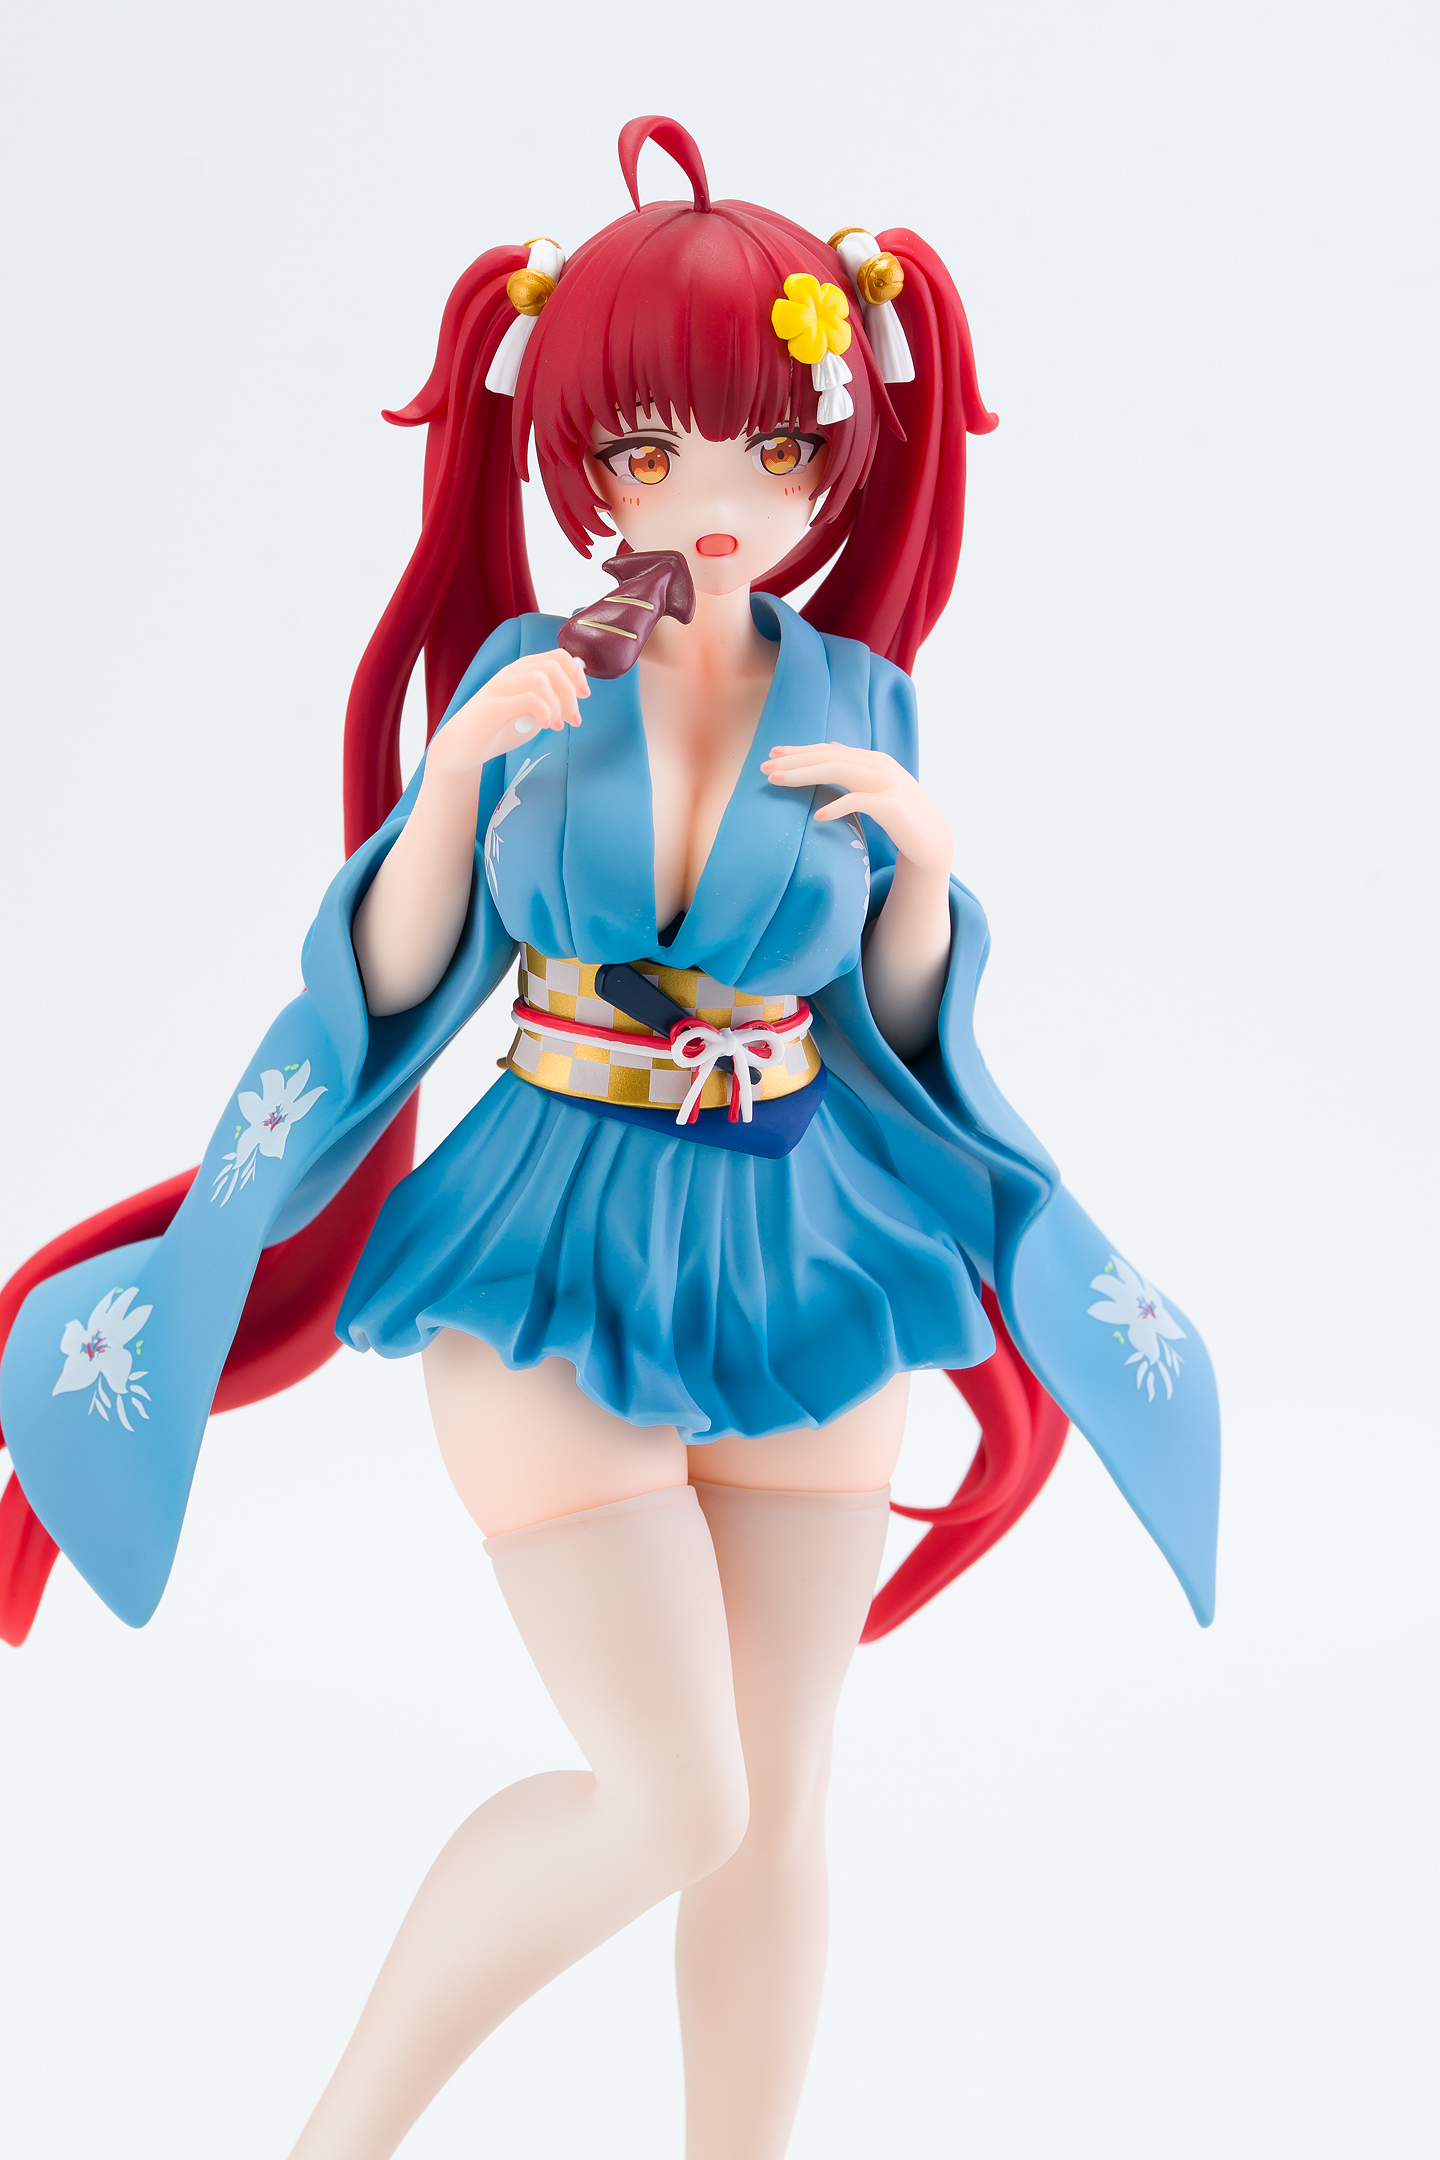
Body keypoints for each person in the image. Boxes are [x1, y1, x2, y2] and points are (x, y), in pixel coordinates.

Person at [0, 115, 1219, 2160]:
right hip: (545, 1239)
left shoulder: (862, 696)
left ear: (833, 455)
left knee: (781, 1803)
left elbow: (903, 1018)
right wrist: (451, 793)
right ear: (584, 467)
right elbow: (395, 979)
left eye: (768, 451)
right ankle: (337, 2142)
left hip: (812, 1246)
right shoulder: (526, 680)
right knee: (675, 1797)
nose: (712, 505)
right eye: (651, 455)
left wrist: (926, 874)